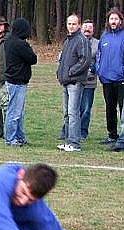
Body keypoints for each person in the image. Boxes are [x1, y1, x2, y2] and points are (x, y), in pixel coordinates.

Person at [56, 14, 91, 153]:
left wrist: (71, 72)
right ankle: (68, 140)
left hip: (75, 82)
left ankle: (75, 143)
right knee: (67, 113)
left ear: (79, 25)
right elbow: (63, 60)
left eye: (74, 24)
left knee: (73, 112)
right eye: (69, 23)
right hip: (66, 82)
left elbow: (85, 60)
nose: (71, 26)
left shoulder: (81, 40)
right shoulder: (68, 40)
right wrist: (60, 73)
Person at [3, 18, 37, 146]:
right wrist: (28, 46)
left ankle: (19, 136)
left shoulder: (9, 41)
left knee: (18, 111)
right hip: (18, 81)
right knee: (15, 111)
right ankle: (11, 138)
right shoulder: (20, 44)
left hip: (13, 79)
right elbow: (33, 58)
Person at [95, 8, 124, 145]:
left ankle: (122, 137)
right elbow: (99, 56)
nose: (113, 21)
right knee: (110, 108)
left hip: (121, 79)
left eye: (116, 19)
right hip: (106, 79)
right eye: (111, 19)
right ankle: (112, 135)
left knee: (122, 110)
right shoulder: (104, 36)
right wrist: (99, 70)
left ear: (120, 21)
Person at [79, 19, 99, 140]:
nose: (87, 29)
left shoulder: (98, 43)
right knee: (72, 108)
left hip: (89, 82)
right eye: (85, 26)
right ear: (81, 28)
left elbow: (101, 60)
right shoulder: (75, 41)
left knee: (86, 109)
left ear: (93, 30)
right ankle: (68, 130)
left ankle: (83, 132)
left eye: (90, 27)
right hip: (75, 81)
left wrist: (93, 68)